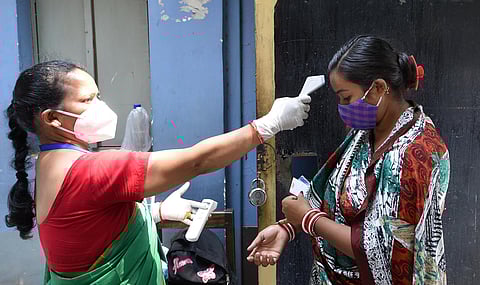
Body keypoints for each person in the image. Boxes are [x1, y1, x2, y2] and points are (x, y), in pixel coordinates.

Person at [4, 60, 312, 285]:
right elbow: (196, 161)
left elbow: (83, 225)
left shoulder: (43, 165)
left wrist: (154, 213)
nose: (101, 105)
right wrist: (267, 125)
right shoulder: (93, 170)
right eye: (87, 100)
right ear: (53, 119)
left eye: (97, 95)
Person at [247, 35, 450, 285]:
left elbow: (384, 248)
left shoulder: (418, 155)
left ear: (377, 89)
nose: (341, 107)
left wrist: (309, 219)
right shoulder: (366, 133)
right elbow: (329, 188)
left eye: (346, 97)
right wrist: (287, 227)